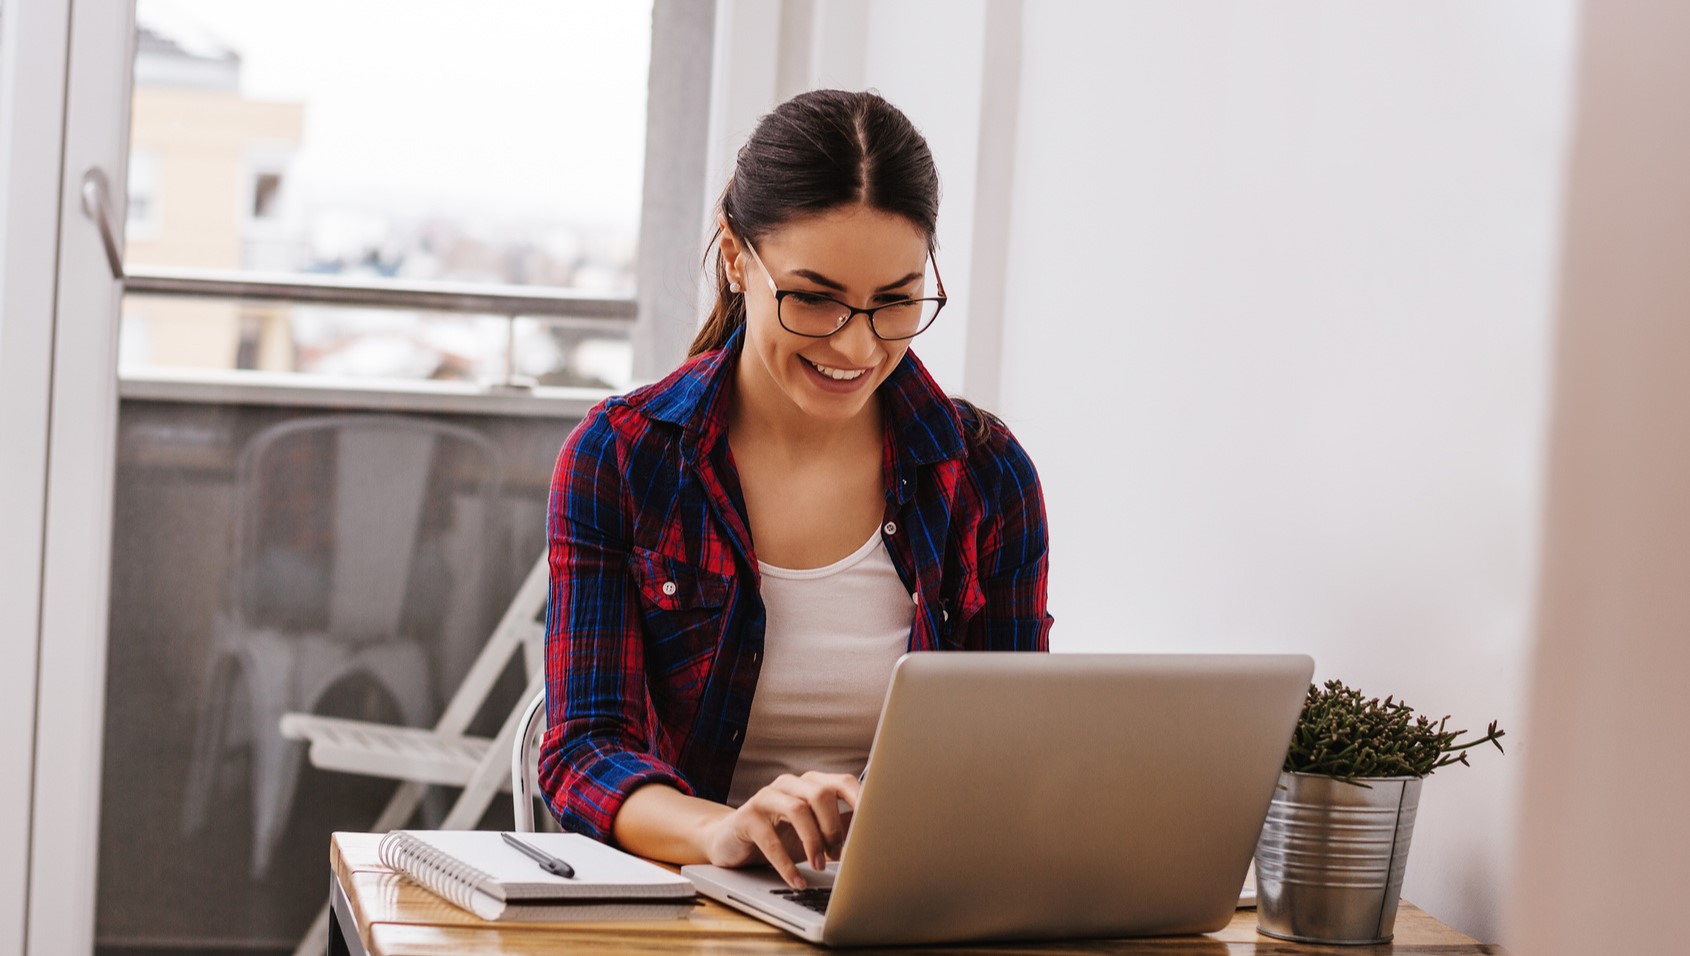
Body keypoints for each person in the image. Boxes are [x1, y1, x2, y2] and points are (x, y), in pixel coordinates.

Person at [539, 89, 1052, 890]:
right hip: (699, 906)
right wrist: (725, 831)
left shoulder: (987, 475)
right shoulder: (622, 458)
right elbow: (582, 750)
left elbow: (1017, 747)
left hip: (919, 907)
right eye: (814, 298)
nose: (856, 343)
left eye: (896, 301)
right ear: (738, 256)